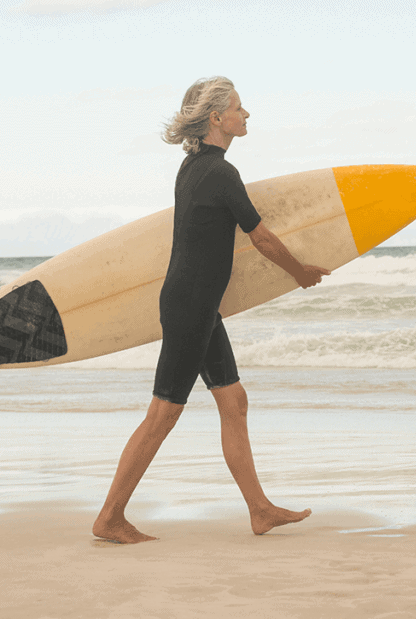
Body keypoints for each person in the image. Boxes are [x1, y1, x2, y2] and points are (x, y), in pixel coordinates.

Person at [92, 77, 330, 544]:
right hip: (190, 308)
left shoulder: (192, 168)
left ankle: (260, 510)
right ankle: (110, 517)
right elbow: (258, 236)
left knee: (233, 402)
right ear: (217, 118)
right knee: (162, 413)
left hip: (195, 305)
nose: (246, 115)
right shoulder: (221, 174)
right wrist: (299, 273)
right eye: (239, 108)